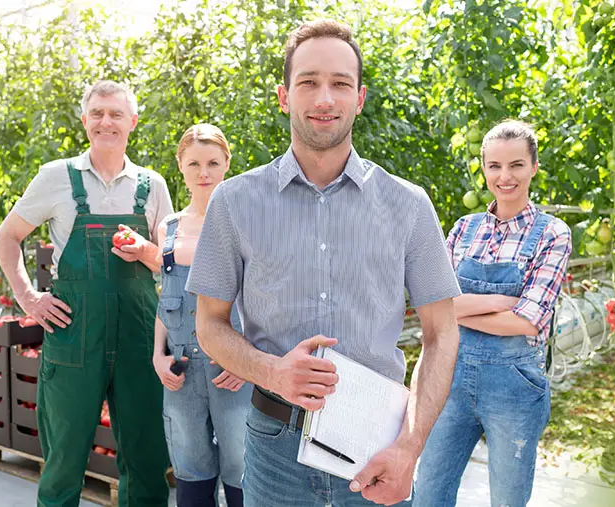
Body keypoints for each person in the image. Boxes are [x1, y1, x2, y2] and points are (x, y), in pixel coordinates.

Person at [185, 20, 461, 507]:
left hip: (378, 450)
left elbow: (442, 334)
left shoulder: (409, 205)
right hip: (274, 450)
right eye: (308, 82)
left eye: (340, 83)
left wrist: (410, 447)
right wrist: (273, 372)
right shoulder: (234, 202)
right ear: (283, 96)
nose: (324, 98)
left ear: (360, 98)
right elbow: (209, 325)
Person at [0, 80, 173, 507]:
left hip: (138, 336)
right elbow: (7, 236)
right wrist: (28, 298)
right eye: (97, 113)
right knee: (63, 461)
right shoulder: (56, 177)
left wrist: (146, 251)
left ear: (132, 122)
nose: (106, 122)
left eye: (116, 114)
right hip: (73, 335)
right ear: (84, 120)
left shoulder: (152, 185)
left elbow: (170, 261)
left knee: (147, 460)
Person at [411, 120, 572, 507]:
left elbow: (525, 322)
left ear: (534, 167)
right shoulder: (463, 229)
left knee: (507, 500)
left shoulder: (552, 234)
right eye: (495, 166)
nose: (505, 177)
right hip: (449, 379)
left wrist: (456, 310)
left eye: (516, 165)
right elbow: (431, 307)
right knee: (428, 492)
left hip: (514, 389)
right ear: (483, 168)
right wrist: (501, 301)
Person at [152, 124, 250, 507]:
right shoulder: (169, 227)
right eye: (194, 163)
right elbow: (166, 298)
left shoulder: (244, 222)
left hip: (231, 368)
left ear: (227, 163)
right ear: (180, 165)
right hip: (181, 368)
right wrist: (157, 355)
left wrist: (248, 362)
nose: (203, 172)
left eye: (212, 163)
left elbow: (261, 301)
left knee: (242, 465)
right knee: (190, 467)